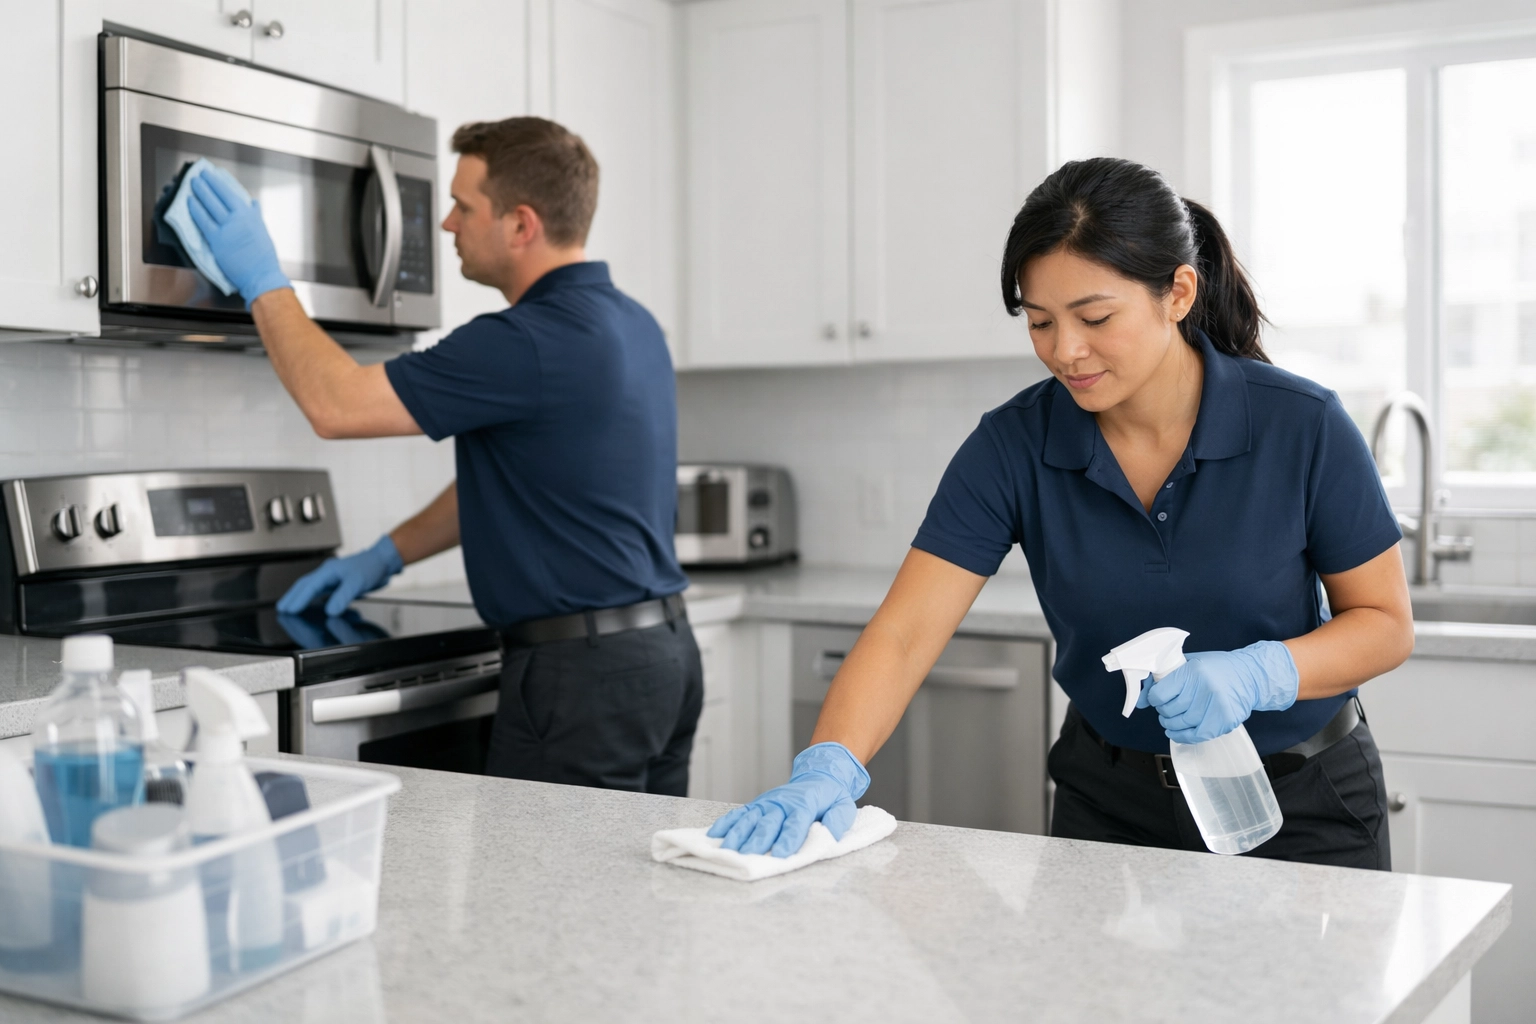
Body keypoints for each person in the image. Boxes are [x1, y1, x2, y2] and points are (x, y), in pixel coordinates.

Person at [711, 157, 1413, 868]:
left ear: (1178, 293)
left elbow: (1385, 626)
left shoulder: (1303, 426)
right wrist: (829, 764)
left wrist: (1258, 673)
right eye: (1040, 322)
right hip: (1108, 810)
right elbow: (904, 634)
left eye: (1095, 318)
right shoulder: (1016, 445)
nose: (1065, 351)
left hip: (1302, 806)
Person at [185, 117, 703, 795]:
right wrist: (387, 554)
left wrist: (261, 277)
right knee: (629, 896)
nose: (448, 226)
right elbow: (533, 484)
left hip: (581, 681)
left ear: (521, 225)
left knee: (546, 898)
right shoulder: (632, 323)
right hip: (662, 657)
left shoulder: (524, 341)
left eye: (464, 207)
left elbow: (336, 406)